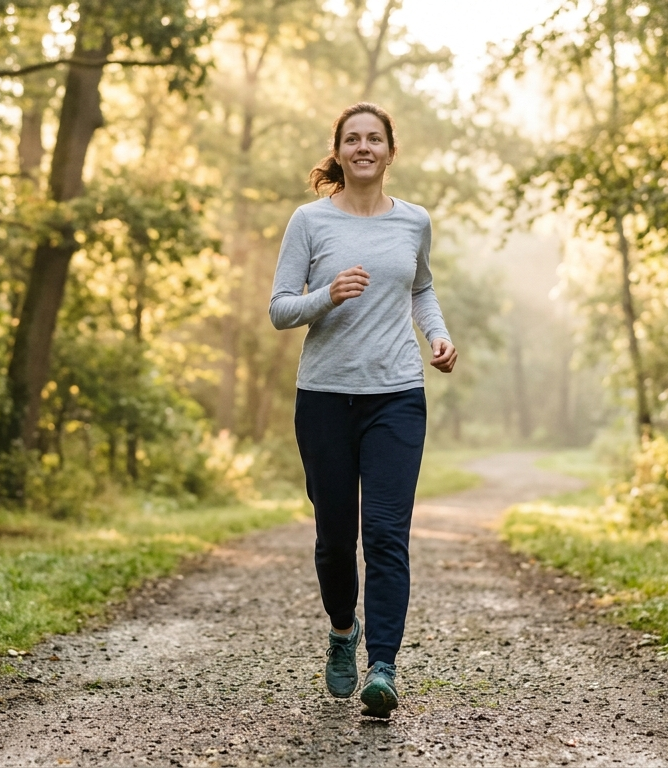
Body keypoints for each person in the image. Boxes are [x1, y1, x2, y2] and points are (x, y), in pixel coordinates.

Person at [269, 102, 456, 718]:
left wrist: (437, 336)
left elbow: (421, 288)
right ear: (340, 151)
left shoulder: (414, 223)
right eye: (353, 139)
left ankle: (384, 665)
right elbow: (279, 308)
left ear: (390, 152)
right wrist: (326, 295)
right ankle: (342, 629)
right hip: (324, 397)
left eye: (375, 138)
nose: (364, 147)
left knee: (384, 535)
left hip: (397, 394)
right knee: (333, 540)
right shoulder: (310, 221)